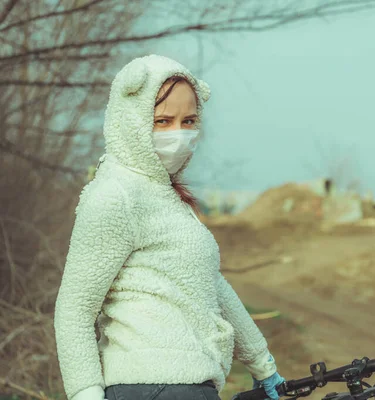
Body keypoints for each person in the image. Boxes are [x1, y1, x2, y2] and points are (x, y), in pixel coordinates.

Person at [54, 55, 285, 400]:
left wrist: (262, 362)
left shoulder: (164, 196)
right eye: (162, 121)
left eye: (188, 120)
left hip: (188, 387)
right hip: (151, 385)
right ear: (131, 120)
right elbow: (74, 308)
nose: (178, 134)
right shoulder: (114, 194)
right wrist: (85, 393)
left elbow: (210, 285)